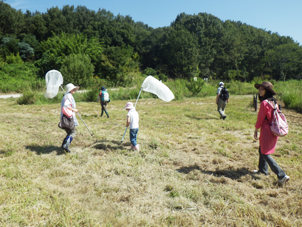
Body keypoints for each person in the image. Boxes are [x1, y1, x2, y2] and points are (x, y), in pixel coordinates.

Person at [253, 81, 290, 185]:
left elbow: (260, 119)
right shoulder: (273, 102)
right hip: (273, 130)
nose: (259, 91)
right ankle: (263, 170)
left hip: (266, 130)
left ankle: (281, 175)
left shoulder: (264, 103)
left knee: (265, 153)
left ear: (267, 91)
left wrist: (256, 129)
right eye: (259, 89)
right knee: (262, 149)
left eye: (262, 89)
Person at [60, 83, 79, 153]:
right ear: (70, 90)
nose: (74, 90)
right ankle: (66, 145)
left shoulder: (67, 95)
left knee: (69, 132)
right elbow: (66, 106)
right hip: (68, 117)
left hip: (66, 117)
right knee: (72, 132)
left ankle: (64, 145)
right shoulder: (68, 96)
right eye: (73, 89)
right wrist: (74, 110)